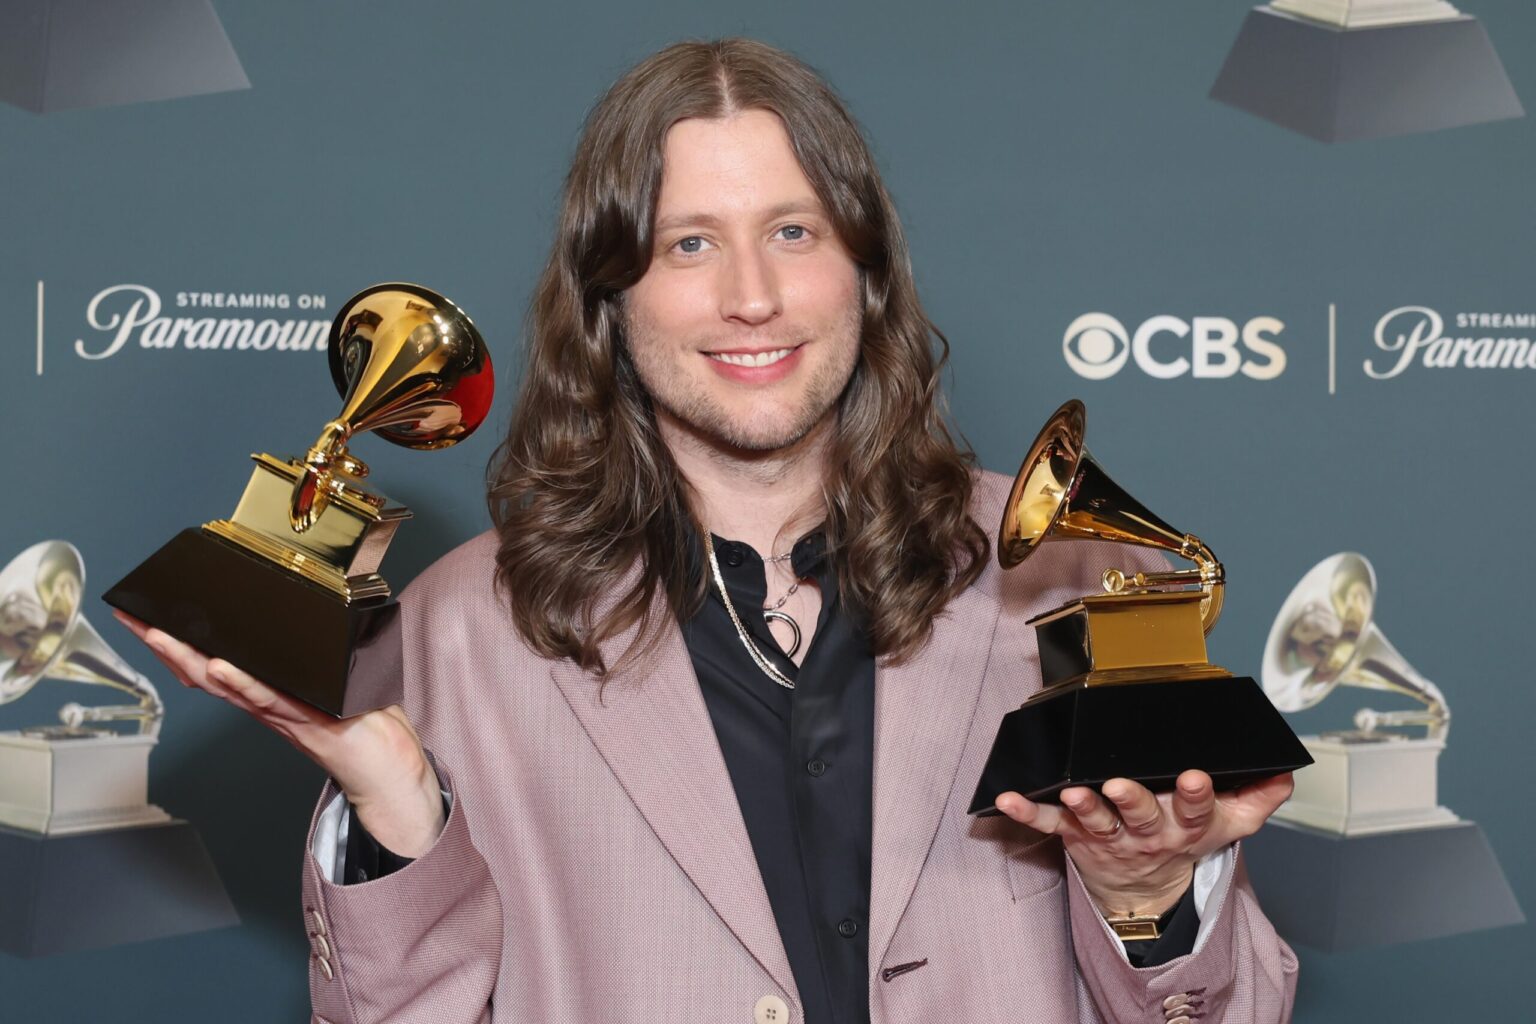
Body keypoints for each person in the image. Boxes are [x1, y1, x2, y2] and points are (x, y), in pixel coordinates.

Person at [116, 38, 1297, 1024]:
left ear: (866, 270)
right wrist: (396, 812)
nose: (751, 294)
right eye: (689, 242)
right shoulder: (460, 629)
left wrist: (1148, 896)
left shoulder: (1073, 581)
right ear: (610, 297)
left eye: (794, 231)